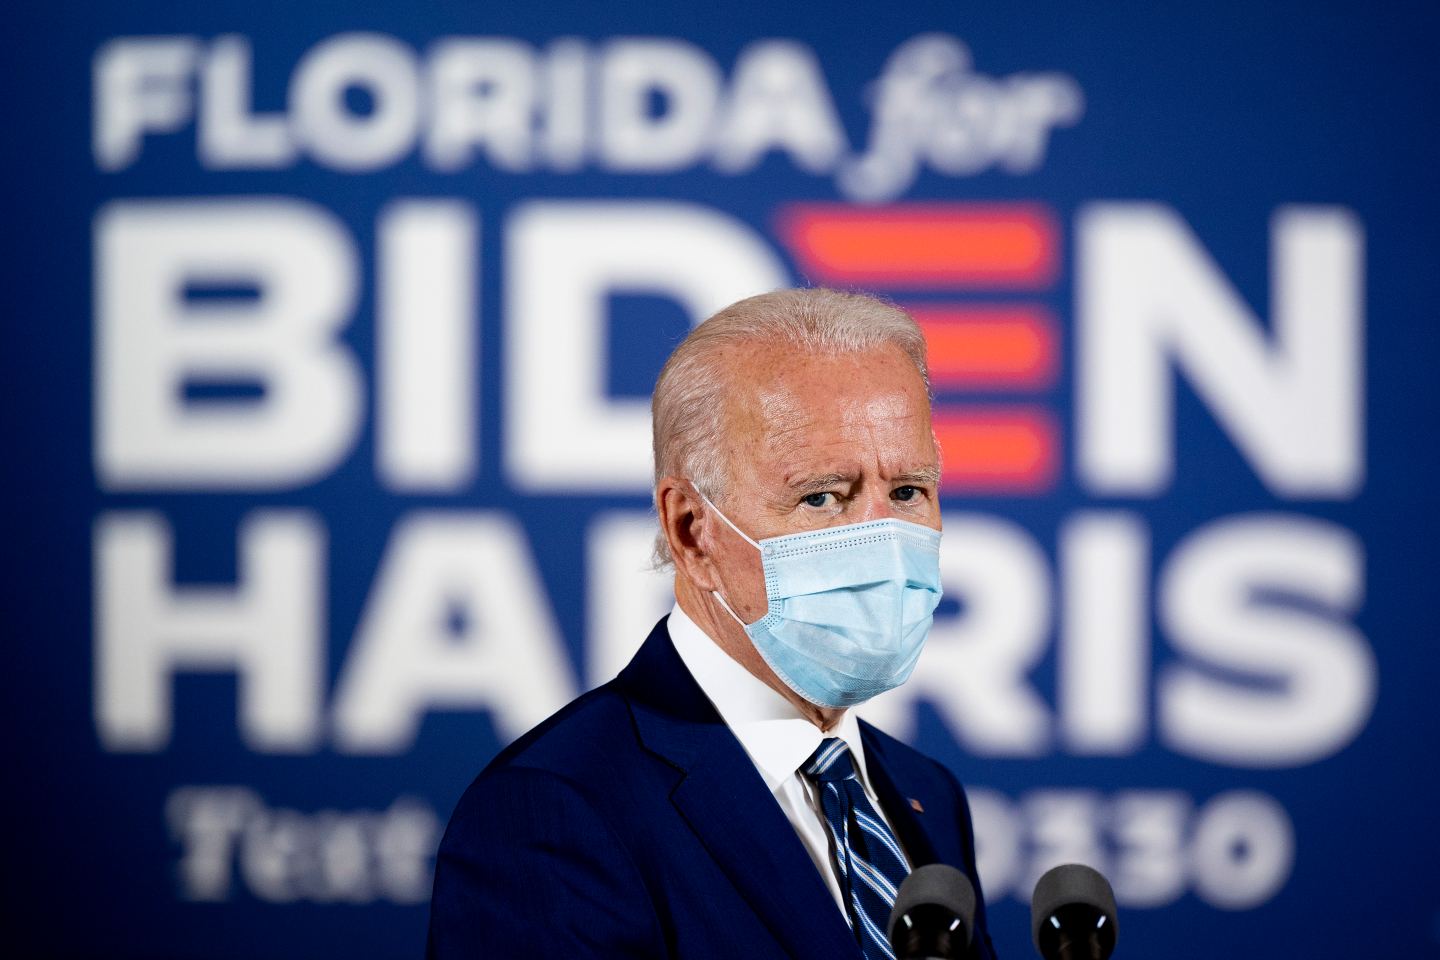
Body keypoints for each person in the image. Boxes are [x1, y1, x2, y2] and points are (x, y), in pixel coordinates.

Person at [428, 288, 997, 959]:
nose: (883, 538)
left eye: (908, 491)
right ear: (692, 531)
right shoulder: (554, 811)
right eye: (822, 496)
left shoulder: (923, 791)